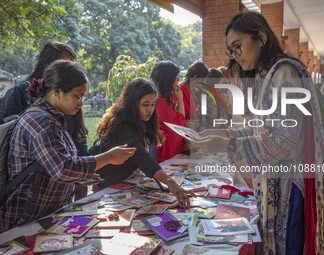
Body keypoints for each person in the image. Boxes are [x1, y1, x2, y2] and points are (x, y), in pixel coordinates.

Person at [194, 11, 324, 254]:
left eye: (237, 47)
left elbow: (282, 139)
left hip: (290, 189)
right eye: (231, 51)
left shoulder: (284, 72)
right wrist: (226, 135)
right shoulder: (266, 76)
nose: (234, 56)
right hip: (277, 184)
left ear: (260, 37)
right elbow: (261, 127)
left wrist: (227, 145)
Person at [0, 60, 136, 231]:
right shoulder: (40, 123)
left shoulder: (53, 119)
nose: (80, 104)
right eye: (77, 96)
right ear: (57, 92)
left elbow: (59, 161)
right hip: (24, 220)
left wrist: (81, 177)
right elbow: (63, 169)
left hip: (43, 216)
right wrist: (108, 157)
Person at [95, 77, 192, 208]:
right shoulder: (122, 126)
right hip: (109, 188)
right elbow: (142, 157)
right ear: (132, 104)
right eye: (145, 104)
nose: (150, 110)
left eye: (153, 104)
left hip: (128, 182)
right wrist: (170, 181)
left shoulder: (143, 121)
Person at [0, 42, 88, 156]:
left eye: (73, 64)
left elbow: (78, 136)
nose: (71, 71)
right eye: (64, 64)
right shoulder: (20, 93)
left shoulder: (72, 100)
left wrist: (87, 166)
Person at [150, 61, 186, 163]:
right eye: (175, 77)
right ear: (168, 79)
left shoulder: (166, 98)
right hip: (164, 154)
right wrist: (180, 99)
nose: (177, 80)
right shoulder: (161, 102)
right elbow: (180, 126)